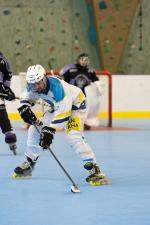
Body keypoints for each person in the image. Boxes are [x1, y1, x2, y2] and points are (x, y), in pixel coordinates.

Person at [12, 64, 107, 185]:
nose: (36, 87)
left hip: (75, 107)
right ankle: (30, 163)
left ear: (44, 78)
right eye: (33, 84)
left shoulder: (57, 88)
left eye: (39, 83)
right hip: (57, 107)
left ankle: (94, 169)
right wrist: (24, 108)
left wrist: (49, 130)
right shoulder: (33, 86)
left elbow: (64, 114)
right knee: (34, 129)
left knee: (72, 137)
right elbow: (25, 98)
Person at [60, 53, 104, 129]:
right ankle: (68, 123)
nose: (84, 61)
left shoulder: (90, 72)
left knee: (84, 111)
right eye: (82, 59)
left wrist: (99, 87)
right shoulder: (71, 70)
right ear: (78, 60)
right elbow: (63, 80)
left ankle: (85, 122)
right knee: (71, 110)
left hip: (84, 96)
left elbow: (96, 82)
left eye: (86, 60)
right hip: (72, 96)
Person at [0, 52, 17, 154]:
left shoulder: (3, 61)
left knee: (2, 116)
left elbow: (7, 77)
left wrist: (7, 91)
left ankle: (10, 137)